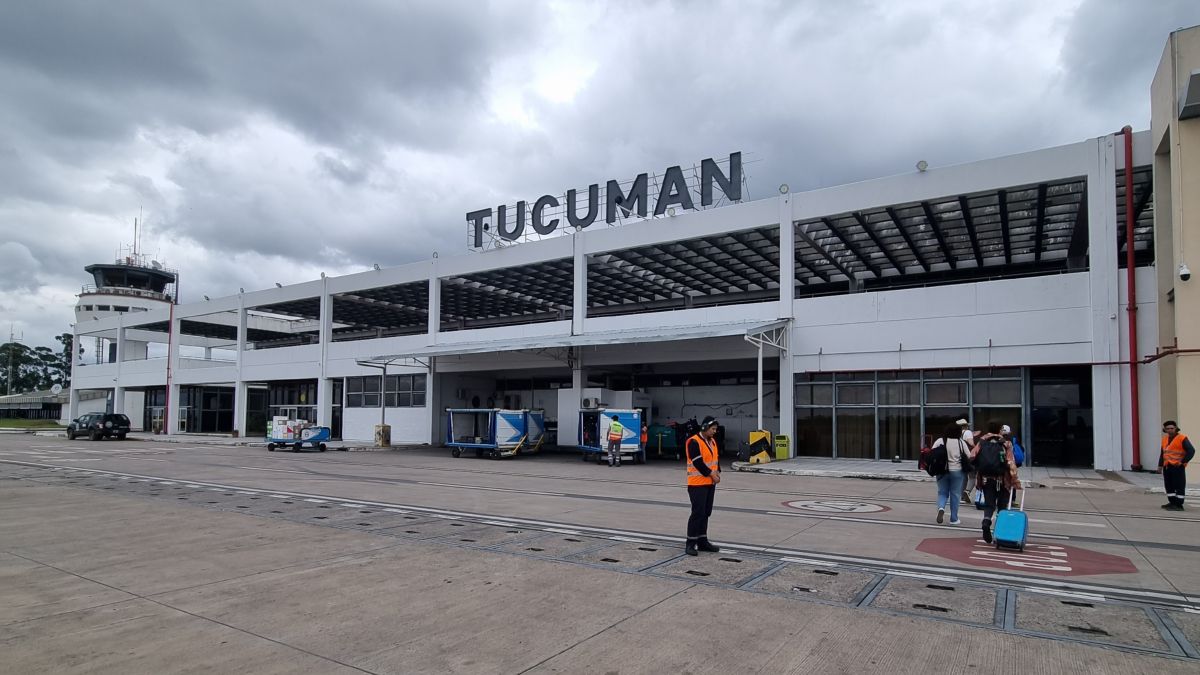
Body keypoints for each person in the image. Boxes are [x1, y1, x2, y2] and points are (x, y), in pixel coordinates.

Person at [971, 420, 1017, 543]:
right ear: (999, 430)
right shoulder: (1006, 443)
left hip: (986, 478)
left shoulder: (982, 441)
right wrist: (1014, 478)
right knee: (1002, 506)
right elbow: (1010, 462)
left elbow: (972, 456)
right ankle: (1000, 531)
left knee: (989, 504)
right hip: (1003, 479)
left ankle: (986, 522)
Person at [684, 416, 722, 556]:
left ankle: (702, 541)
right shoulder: (693, 441)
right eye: (712, 429)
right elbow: (697, 462)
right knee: (697, 513)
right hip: (697, 484)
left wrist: (718, 472)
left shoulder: (712, 442)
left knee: (706, 513)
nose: (714, 432)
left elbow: (715, 459)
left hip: (709, 483)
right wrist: (711, 475)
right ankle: (690, 543)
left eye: (715, 429)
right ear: (705, 427)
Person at [932, 423, 970, 525]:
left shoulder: (940, 441)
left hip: (941, 471)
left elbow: (932, 453)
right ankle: (954, 519)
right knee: (955, 494)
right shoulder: (961, 442)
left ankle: (941, 508)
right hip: (957, 471)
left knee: (942, 492)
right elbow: (969, 456)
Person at [1159, 420, 1196, 511]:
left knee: (1179, 485)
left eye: (1172, 428)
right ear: (1165, 430)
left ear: (1176, 428)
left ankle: (1179, 505)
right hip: (1167, 466)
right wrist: (1160, 466)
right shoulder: (1165, 439)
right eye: (1167, 429)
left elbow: (1191, 451)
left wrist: (1183, 462)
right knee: (1169, 485)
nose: (1170, 430)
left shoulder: (1182, 438)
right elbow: (1162, 453)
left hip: (1177, 466)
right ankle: (1172, 502)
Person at [956, 418, 976, 504]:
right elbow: (971, 443)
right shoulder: (967, 432)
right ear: (966, 426)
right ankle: (967, 492)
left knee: (964, 477)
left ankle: (961, 497)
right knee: (972, 476)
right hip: (969, 457)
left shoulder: (957, 434)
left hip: (960, 457)